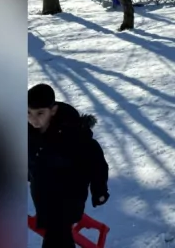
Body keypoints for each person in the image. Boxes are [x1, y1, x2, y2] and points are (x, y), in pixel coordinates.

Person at [28, 84, 109, 248]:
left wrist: (99, 189)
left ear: (53, 110)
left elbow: (96, 161)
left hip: (70, 194)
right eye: (28, 113)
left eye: (40, 113)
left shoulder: (72, 132)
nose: (33, 119)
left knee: (57, 235)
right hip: (43, 193)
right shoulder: (27, 132)